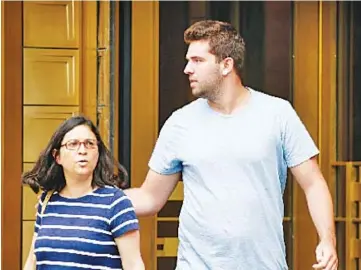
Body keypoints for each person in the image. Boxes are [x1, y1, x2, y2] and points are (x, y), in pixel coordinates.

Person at [124, 20, 338, 270]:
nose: (187, 69)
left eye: (197, 60)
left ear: (226, 65)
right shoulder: (179, 123)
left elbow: (313, 184)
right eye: (188, 60)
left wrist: (327, 240)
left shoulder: (278, 114)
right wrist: (89, 200)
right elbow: (150, 198)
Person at [23, 115, 144, 270]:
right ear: (57, 156)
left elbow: (133, 264)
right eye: (73, 144)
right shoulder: (47, 201)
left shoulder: (115, 202)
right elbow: (32, 262)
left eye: (89, 144)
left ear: (98, 152)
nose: (82, 151)